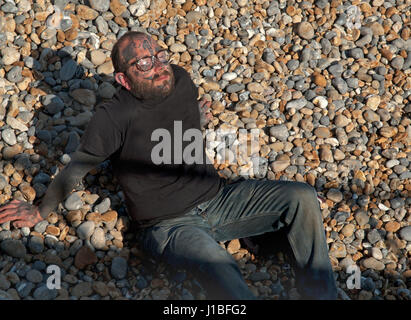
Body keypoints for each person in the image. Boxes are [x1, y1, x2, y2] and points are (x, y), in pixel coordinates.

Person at [0, 31, 338, 300]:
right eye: (143, 64)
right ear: (124, 80)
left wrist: (198, 115)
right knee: (220, 266)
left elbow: (183, 117)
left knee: (302, 197)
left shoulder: (179, 80)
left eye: (159, 56)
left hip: (219, 199)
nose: (158, 67)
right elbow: (77, 168)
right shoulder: (113, 117)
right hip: (169, 226)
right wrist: (39, 211)